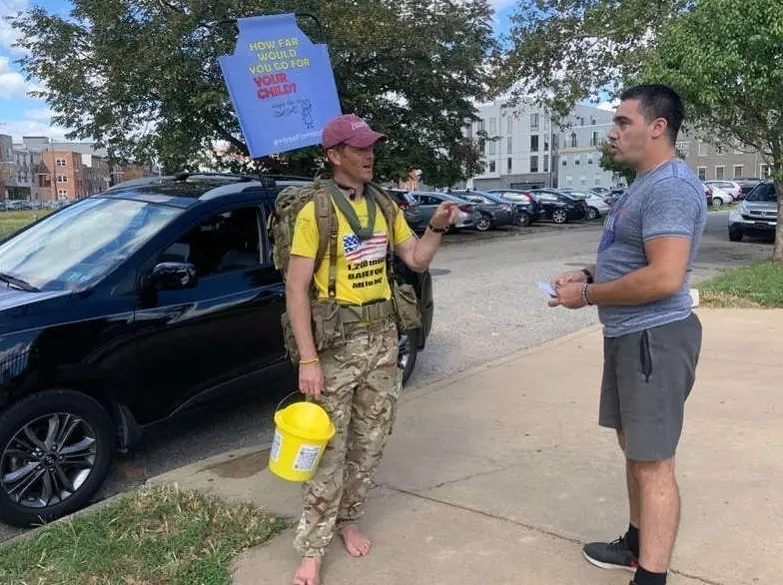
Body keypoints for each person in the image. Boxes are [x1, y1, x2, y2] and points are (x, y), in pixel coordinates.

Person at [285, 113, 458, 585]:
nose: (369, 155)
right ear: (334, 155)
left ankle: (349, 519)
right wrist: (308, 360)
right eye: (359, 148)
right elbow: (296, 290)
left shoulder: (384, 204)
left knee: (369, 442)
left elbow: (415, 259)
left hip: (382, 341)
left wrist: (437, 227)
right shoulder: (315, 211)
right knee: (328, 449)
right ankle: (313, 548)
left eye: (371, 147)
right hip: (335, 346)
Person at [548, 84, 707, 585]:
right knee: (635, 450)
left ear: (657, 127)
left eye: (622, 122)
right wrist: (589, 274)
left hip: (654, 338)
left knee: (654, 464)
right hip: (630, 336)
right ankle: (635, 546)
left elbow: (664, 277)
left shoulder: (670, 187)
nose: (611, 132)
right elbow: (636, 259)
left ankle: (651, 577)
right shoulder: (643, 183)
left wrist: (588, 295)